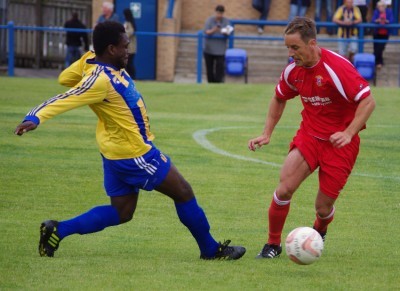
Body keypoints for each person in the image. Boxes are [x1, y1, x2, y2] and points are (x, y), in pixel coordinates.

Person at [14, 21, 246, 261]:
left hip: (115, 151)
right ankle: (210, 250)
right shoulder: (100, 80)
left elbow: (65, 77)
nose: (129, 50)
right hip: (135, 154)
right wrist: (35, 116)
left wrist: (83, 70)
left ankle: (58, 230)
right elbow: (67, 95)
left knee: (122, 211)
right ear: (111, 49)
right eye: (125, 46)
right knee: (184, 192)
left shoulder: (92, 59)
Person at [248, 17, 375, 259]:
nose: (290, 53)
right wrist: (267, 133)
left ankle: (319, 230)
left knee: (323, 207)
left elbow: (368, 101)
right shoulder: (292, 72)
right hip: (309, 137)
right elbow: (279, 97)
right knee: (284, 189)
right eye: (287, 48)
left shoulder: (337, 68)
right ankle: (272, 244)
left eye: (295, 48)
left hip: (340, 145)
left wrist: (349, 133)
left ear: (312, 43)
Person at [203, 5, 230, 83]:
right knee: (209, 69)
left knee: (220, 69)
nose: (219, 15)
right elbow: (207, 31)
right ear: (215, 12)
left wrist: (221, 30)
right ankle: (210, 83)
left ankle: (218, 84)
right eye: (218, 13)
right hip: (209, 49)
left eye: (221, 13)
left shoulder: (226, 21)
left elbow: (228, 32)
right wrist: (215, 29)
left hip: (220, 50)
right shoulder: (209, 20)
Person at [371, 0, 394, 69]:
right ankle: (379, 62)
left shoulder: (389, 11)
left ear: (384, 7)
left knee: (380, 48)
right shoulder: (376, 12)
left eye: (382, 7)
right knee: (376, 48)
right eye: (379, 7)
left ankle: (374, 60)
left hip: (385, 33)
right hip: (377, 33)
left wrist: (386, 21)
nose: (380, 8)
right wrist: (377, 20)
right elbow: (373, 20)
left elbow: (391, 20)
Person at [123, 8, 137, 79]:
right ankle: (128, 77)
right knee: (127, 63)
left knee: (130, 63)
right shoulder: (126, 22)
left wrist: (123, 33)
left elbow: (130, 32)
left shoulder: (130, 23)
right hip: (127, 47)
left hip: (131, 47)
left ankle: (133, 77)